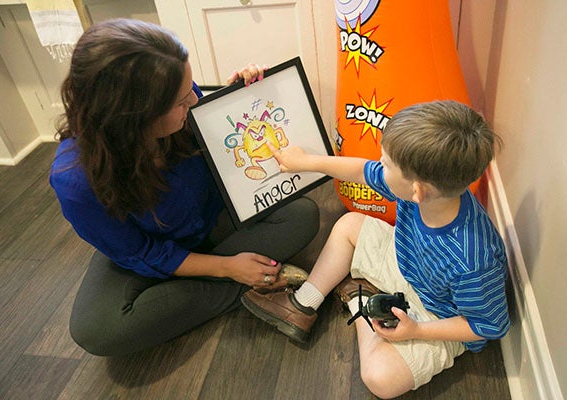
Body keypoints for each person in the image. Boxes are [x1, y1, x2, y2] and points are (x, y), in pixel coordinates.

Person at [49, 18, 319, 356]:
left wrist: (237, 100)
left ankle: (205, 287)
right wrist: (228, 268)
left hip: (210, 220)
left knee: (302, 215)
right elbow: (141, 252)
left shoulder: (186, 103)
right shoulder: (75, 181)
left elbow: (233, 152)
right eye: (179, 101)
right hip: (150, 249)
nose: (193, 100)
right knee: (96, 330)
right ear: (131, 116)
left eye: (192, 88)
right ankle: (245, 287)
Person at [241, 100, 510, 398]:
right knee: (349, 225)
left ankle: (362, 299)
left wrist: (417, 332)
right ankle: (302, 305)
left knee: (380, 378)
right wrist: (306, 162)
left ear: (418, 190)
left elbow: (486, 325)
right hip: (407, 261)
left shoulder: (472, 261)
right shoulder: (425, 191)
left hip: (437, 316)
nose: (379, 166)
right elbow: (360, 170)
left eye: (386, 163)